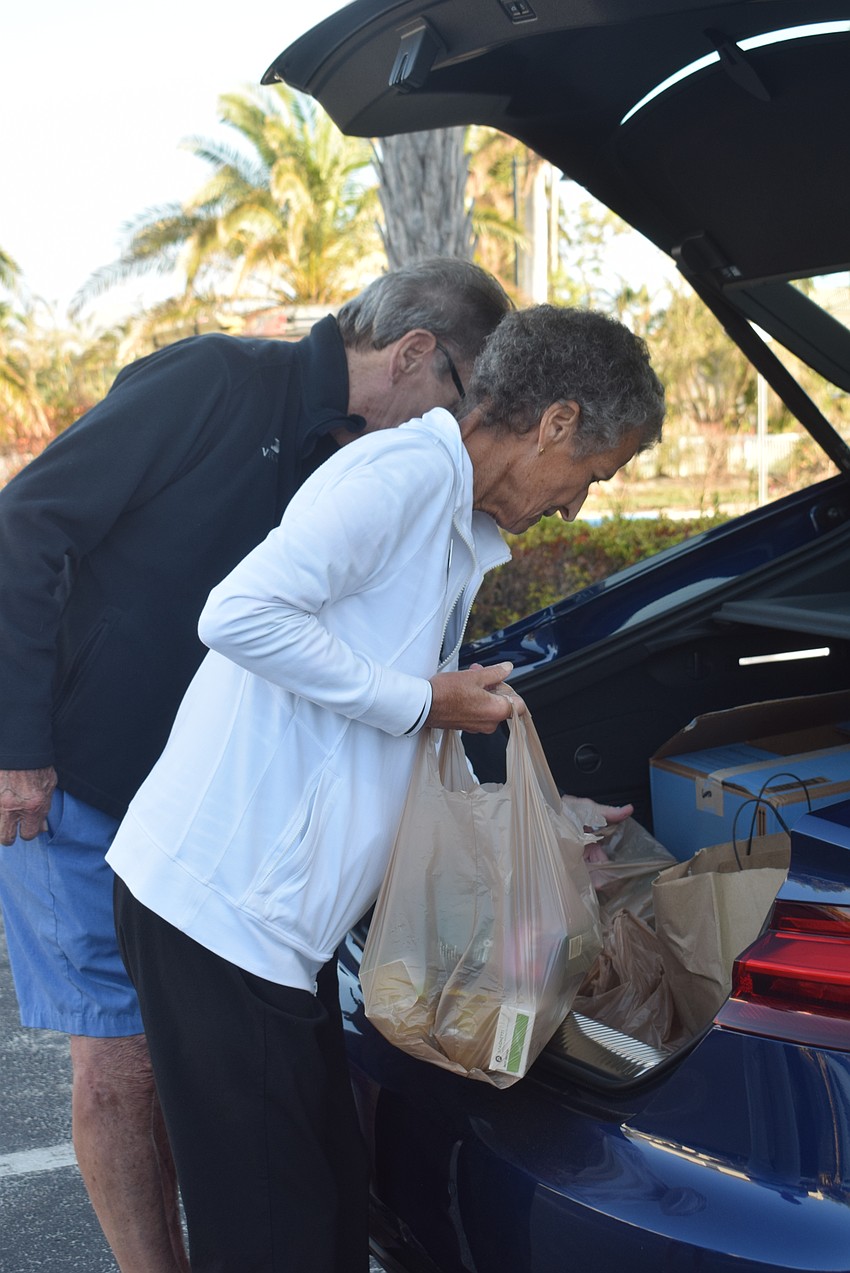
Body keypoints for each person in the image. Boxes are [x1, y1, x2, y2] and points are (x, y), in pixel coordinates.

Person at [107, 303, 666, 1271]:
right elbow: (239, 614)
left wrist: (532, 817)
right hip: (218, 914)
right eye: (593, 473)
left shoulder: (450, 524)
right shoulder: (402, 476)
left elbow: (381, 731)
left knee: (322, 1224)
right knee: (273, 1243)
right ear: (558, 422)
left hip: (280, 935)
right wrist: (419, 699)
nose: (578, 504)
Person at [0, 257, 513, 1272]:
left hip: (221, 815)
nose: (465, 425)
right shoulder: (213, 383)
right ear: (415, 353)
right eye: (466, 391)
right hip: (80, 779)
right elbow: (26, 522)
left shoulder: (374, 464)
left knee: (204, 1081)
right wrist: (18, 747)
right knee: (123, 1070)